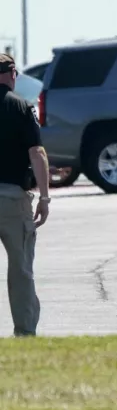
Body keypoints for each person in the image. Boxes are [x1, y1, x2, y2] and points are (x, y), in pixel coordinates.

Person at [0, 53, 47, 336]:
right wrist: (44, 197)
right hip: (12, 200)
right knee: (20, 271)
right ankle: (25, 334)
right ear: (12, 74)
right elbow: (37, 153)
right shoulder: (20, 107)